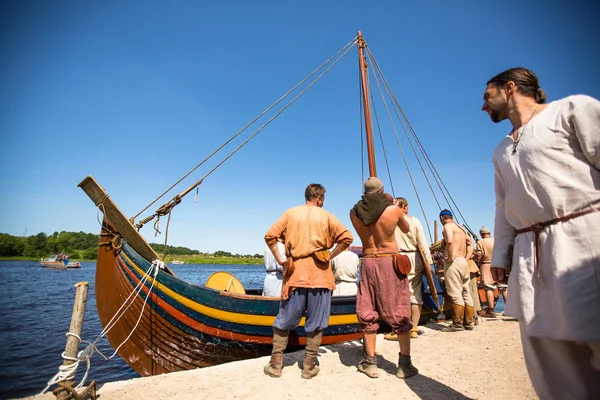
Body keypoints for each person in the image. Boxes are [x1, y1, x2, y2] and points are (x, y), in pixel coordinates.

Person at [482, 67, 600, 399]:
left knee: (592, 328)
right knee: (546, 350)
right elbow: (503, 207)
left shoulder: (572, 110)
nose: (483, 105)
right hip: (528, 252)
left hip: (585, 239)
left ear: (509, 89)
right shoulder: (501, 150)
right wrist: (500, 254)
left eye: (486, 96)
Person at [263, 183, 353, 379]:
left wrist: (280, 260)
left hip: (295, 275)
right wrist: (330, 256)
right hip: (320, 275)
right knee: (317, 321)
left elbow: (270, 236)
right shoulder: (327, 216)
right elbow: (347, 238)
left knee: (284, 319)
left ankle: (276, 364)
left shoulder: (290, 213)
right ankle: (308, 366)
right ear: (319, 199)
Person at [350, 177, 418, 379]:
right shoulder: (393, 210)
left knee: (367, 309)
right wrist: (394, 205)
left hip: (369, 260)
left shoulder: (354, 212)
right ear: (382, 191)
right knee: (399, 309)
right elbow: (406, 229)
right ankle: (404, 365)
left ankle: (370, 363)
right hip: (389, 261)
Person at [384, 197, 433, 341]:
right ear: (405, 207)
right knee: (415, 294)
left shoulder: (390, 220)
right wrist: (428, 264)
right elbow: (422, 243)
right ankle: (414, 328)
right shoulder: (415, 221)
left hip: (397, 258)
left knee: (397, 295)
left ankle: (398, 329)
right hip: (414, 258)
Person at [439, 209, 475, 332]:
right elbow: (471, 244)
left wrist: (449, 257)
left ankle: (457, 324)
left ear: (442, 218)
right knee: (466, 292)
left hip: (453, 262)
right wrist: (467, 257)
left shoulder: (448, 226)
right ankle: (469, 322)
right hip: (463, 261)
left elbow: (449, 241)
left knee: (455, 293)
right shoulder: (460, 228)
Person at [475, 226, 498, 317]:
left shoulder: (481, 242)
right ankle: (508, 309)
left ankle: (491, 310)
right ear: (489, 233)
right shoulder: (495, 241)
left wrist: (473, 258)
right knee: (503, 287)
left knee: (488, 288)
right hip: (498, 264)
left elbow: (479, 255)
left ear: (481, 234)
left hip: (486, 265)